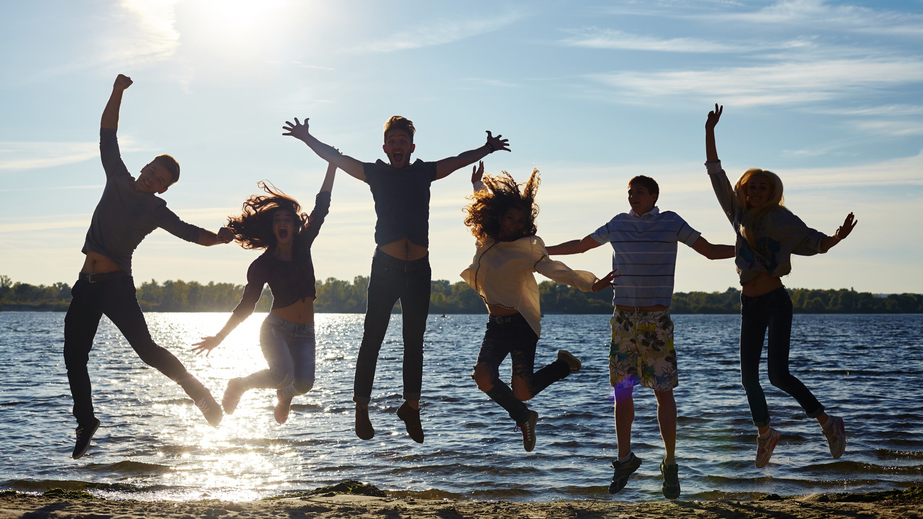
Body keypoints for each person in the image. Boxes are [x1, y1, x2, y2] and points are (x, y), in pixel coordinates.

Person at [282, 115, 510, 444]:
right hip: (386, 268)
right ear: (386, 148)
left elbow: (458, 162)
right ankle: (362, 407)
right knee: (371, 339)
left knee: (413, 342)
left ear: (412, 147)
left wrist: (486, 148)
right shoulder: (375, 172)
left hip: (419, 270)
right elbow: (336, 158)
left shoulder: (424, 172)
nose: (399, 146)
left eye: (404, 141)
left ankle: (411, 406)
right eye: (394, 142)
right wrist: (306, 137)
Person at [64, 74, 234, 459]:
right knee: (73, 356)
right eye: (152, 170)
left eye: (160, 179)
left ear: (164, 189)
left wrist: (221, 238)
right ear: (144, 167)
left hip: (116, 286)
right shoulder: (117, 178)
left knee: (147, 350)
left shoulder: (156, 209)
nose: (152, 177)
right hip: (86, 285)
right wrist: (117, 91)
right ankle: (86, 421)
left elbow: (191, 234)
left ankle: (200, 394)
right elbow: (107, 133)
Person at [545, 173, 734, 498]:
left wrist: (749, 249)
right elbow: (580, 246)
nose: (634, 197)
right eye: (630, 192)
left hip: (656, 321)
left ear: (654, 197)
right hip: (623, 319)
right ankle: (624, 458)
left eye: (640, 193)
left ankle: (670, 463)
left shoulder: (671, 222)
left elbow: (711, 251)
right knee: (622, 391)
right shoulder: (617, 223)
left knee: (663, 393)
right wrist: (539, 251)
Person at [705, 104, 856, 468]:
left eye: (763, 187)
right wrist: (709, 132)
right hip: (749, 303)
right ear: (744, 190)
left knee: (778, 374)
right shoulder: (738, 214)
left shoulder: (781, 218)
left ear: (772, 192)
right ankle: (766, 434)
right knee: (748, 379)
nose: (755, 191)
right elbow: (715, 173)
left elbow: (812, 242)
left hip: (775, 301)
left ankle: (827, 422)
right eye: (751, 186)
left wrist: (835, 238)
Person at [461, 162, 617, 452]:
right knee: (483, 377)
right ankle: (524, 418)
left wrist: (592, 284)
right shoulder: (486, 239)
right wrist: (477, 187)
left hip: (521, 324)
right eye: (509, 218)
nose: (514, 225)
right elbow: (486, 204)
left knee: (522, 391)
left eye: (520, 221)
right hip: (495, 325)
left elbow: (556, 270)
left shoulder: (528, 247)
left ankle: (563, 365)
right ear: (500, 217)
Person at [191, 163, 336, 424]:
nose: (282, 224)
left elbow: (322, 208)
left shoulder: (303, 245)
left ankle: (284, 397)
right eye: (277, 221)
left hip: (306, 331)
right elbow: (246, 306)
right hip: (276, 329)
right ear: (273, 228)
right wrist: (219, 337)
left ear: (294, 226)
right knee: (281, 374)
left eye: (287, 220)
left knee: (304, 384)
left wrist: (332, 164)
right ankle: (239, 385)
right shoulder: (262, 265)